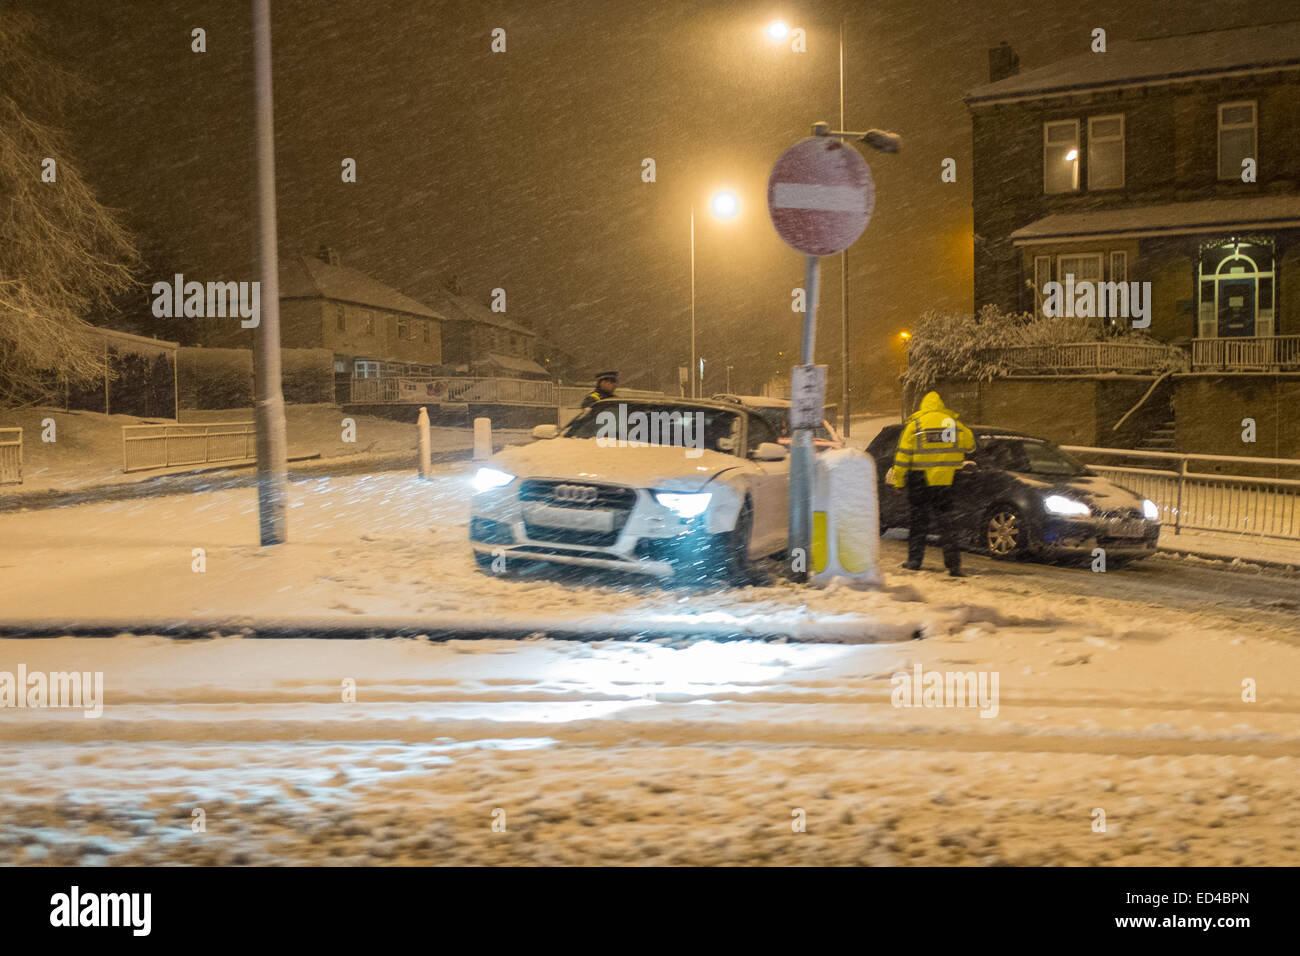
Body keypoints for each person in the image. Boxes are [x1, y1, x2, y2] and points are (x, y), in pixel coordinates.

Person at [891, 390, 976, 577]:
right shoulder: (952, 424)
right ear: (941, 405)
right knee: (947, 524)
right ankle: (954, 566)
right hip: (946, 481)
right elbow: (970, 445)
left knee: (918, 523)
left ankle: (914, 561)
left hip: (920, 480)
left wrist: (898, 481)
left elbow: (903, 457)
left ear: (923, 406)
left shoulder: (916, 425)